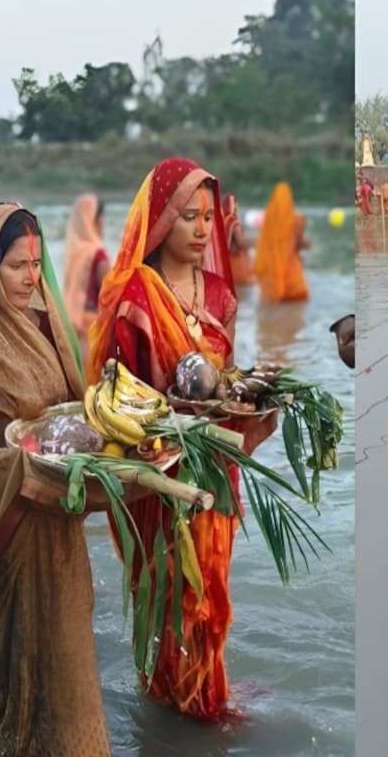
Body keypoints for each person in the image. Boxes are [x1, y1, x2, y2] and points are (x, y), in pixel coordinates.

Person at [0, 204, 149, 755]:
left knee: (74, 685)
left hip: (59, 540)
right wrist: (23, 466)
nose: (32, 277)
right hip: (9, 545)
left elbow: (75, 416)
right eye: (16, 265)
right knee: (25, 693)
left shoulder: (47, 327)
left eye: (37, 263)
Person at [87, 157, 275, 719]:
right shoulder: (136, 300)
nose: (200, 229)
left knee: (212, 590)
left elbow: (228, 375)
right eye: (187, 216)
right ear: (162, 219)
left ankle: (204, 691)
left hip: (214, 462)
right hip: (163, 469)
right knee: (171, 591)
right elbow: (124, 399)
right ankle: (177, 702)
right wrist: (181, 414)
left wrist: (247, 409)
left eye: (207, 217)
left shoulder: (219, 294)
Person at [62, 194, 110, 366]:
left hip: (70, 329)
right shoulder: (98, 254)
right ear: (96, 222)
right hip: (92, 333)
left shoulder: (73, 253)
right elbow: (110, 297)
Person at [254, 181, 311, 303]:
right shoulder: (296, 221)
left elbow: (263, 248)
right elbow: (300, 244)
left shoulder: (268, 223)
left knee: (271, 313)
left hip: (272, 281)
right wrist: (307, 244)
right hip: (292, 281)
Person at [223, 193, 255, 285]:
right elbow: (241, 243)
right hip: (238, 265)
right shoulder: (234, 223)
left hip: (226, 265)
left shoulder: (221, 221)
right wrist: (255, 243)